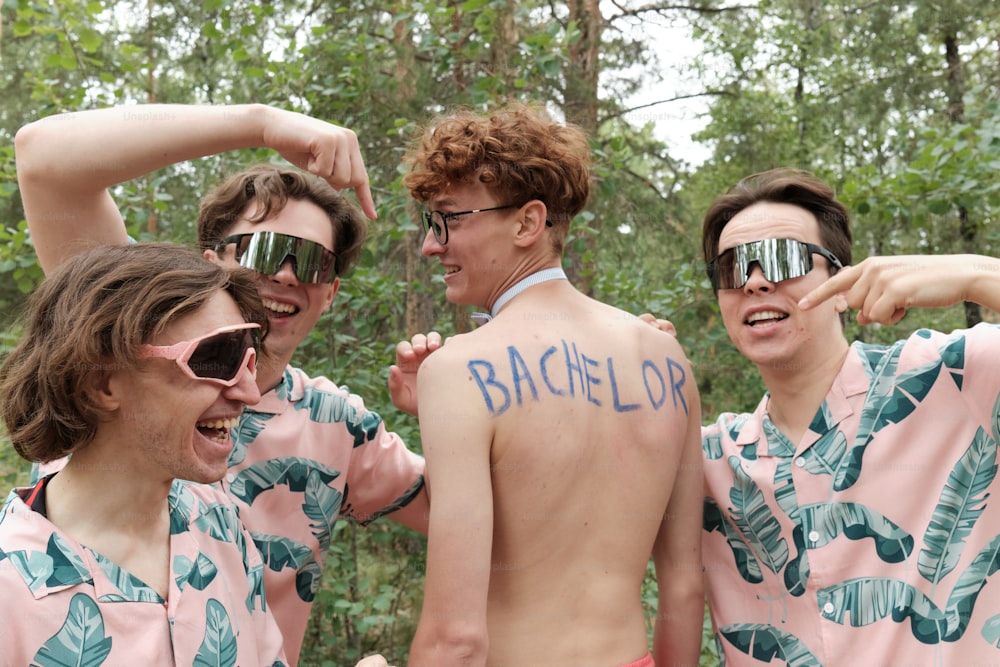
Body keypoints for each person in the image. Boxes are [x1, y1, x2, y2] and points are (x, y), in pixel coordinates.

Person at [14, 103, 429, 666]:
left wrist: (450, 411)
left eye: (311, 262)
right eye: (263, 250)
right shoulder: (136, 314)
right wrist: (262, 123)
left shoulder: (338, 426)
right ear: (214, 264)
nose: (285, 274)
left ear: (329, 293)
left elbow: (472, 516)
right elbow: (43, 157)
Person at [397, 103, 705, 667]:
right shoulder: (665, 357)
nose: (430, 245)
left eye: (448, 219)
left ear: (526, 223)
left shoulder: (461, 369)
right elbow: (684, 589)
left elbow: (456, 641)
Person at [697, 167, 1000, 664]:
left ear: (843, 284)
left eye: (783, 258)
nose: (754, 281)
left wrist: (975, 273)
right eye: (732, 268)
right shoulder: (710, 460)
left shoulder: (953, 378)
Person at [0, 243, 289, 664]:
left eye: (247, 358)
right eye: (216, 357)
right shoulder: (10, 592)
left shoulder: (217, 521)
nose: (247, 391)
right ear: (101, 383)